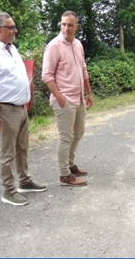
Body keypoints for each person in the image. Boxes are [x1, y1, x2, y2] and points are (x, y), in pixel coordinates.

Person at [0, 12, 47, 206]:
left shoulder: (11, 48)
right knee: (7, 153)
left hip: (20, 108)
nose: (15, 30)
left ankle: (24, 181)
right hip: (4, 109)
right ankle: (8, 190)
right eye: (11, 27)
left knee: (22, 148)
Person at [42, 10, 93, 187]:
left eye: (70, 25)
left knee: (78, 132)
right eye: (63, 24)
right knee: (65, 137)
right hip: (63, 99)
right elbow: (47, 76)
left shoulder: (78, 44)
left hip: (78, 98)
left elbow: (83, 70)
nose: (66, 28)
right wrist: (59, 97)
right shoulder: (54, 46)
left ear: (76, 26)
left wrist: (88, 92)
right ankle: (64, 175)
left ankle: (70, 164)